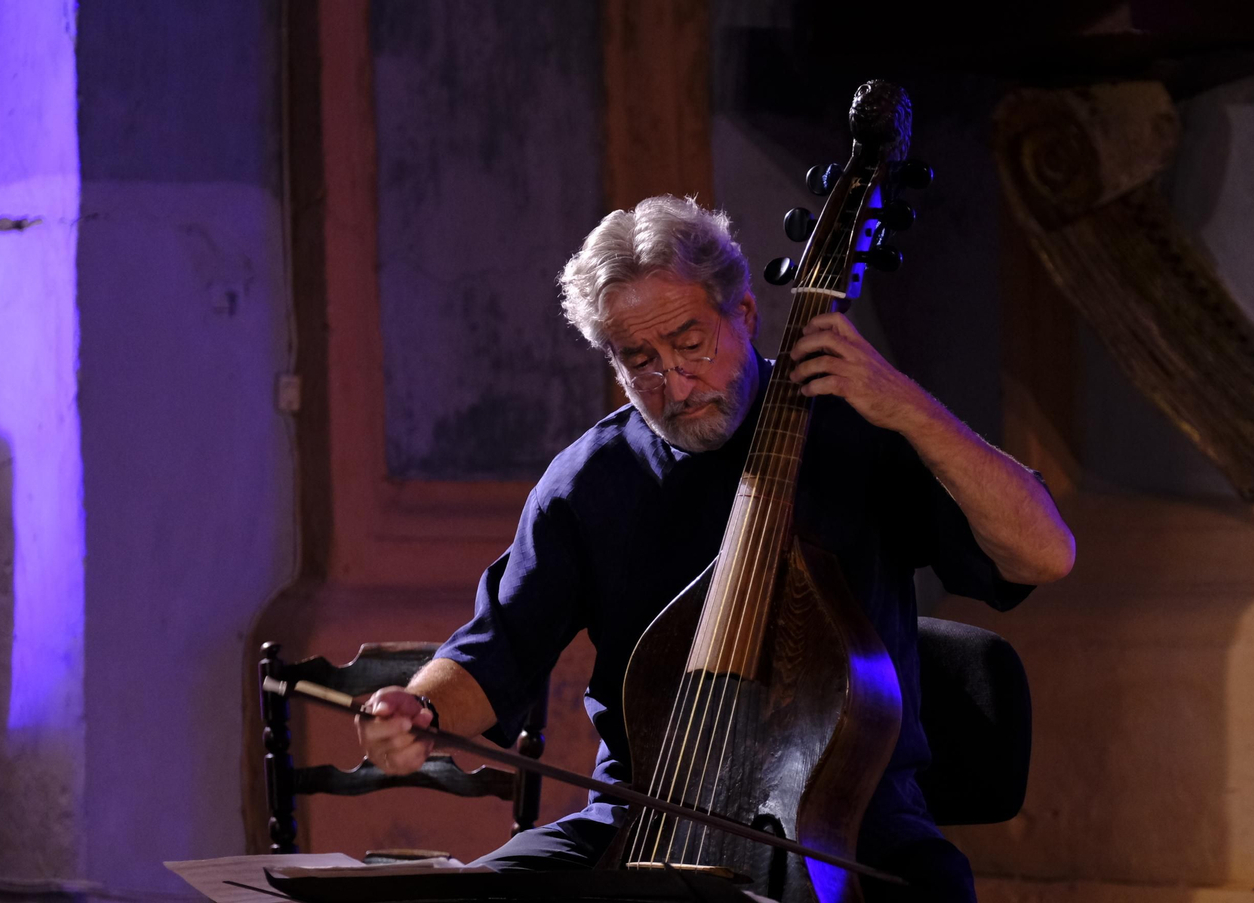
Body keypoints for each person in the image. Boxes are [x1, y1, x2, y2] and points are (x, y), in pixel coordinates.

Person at [356, 195, 1075, 901]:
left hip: (854, 824)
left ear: (746, 316)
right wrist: (418, 710)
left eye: (691, 343)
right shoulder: (591, 480)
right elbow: (495, 652)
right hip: (644, 817)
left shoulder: (861, 430)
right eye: (641, 361)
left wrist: (911, 409)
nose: (675, 381)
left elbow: (1043, 555)